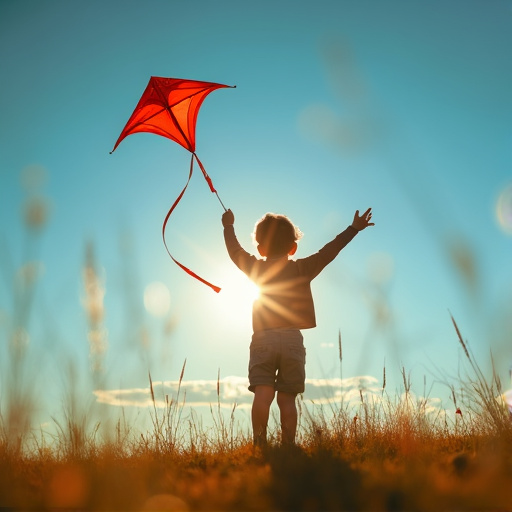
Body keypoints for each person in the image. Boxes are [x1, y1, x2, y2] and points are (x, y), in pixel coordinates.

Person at [222, 207, 374, 447]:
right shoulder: (303, 269)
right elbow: (329, 252)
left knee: (263, 394)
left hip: (263, 339)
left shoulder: (256, 269)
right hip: (292, 339)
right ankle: (288, 446)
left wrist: (228, 226)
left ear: (260, 249)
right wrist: (353, 228)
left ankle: (260, 443)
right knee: (287, 398)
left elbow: (235, 252)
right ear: (293, 248)